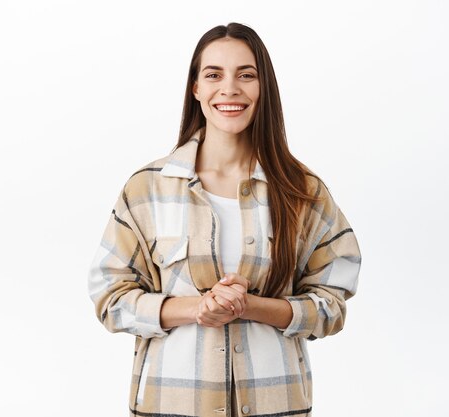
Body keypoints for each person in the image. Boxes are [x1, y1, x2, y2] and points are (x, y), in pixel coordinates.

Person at [87, 22, 361, 417]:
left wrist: (250, 306)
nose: (229, 89)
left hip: (277, 406)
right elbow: (110, 298)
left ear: (263, 88)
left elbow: (331, 304)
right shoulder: (148, 189)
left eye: (246, 75)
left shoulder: (302, 191)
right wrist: (197, 308)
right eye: (214, 74)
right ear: (195, 88)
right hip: (170, 405)